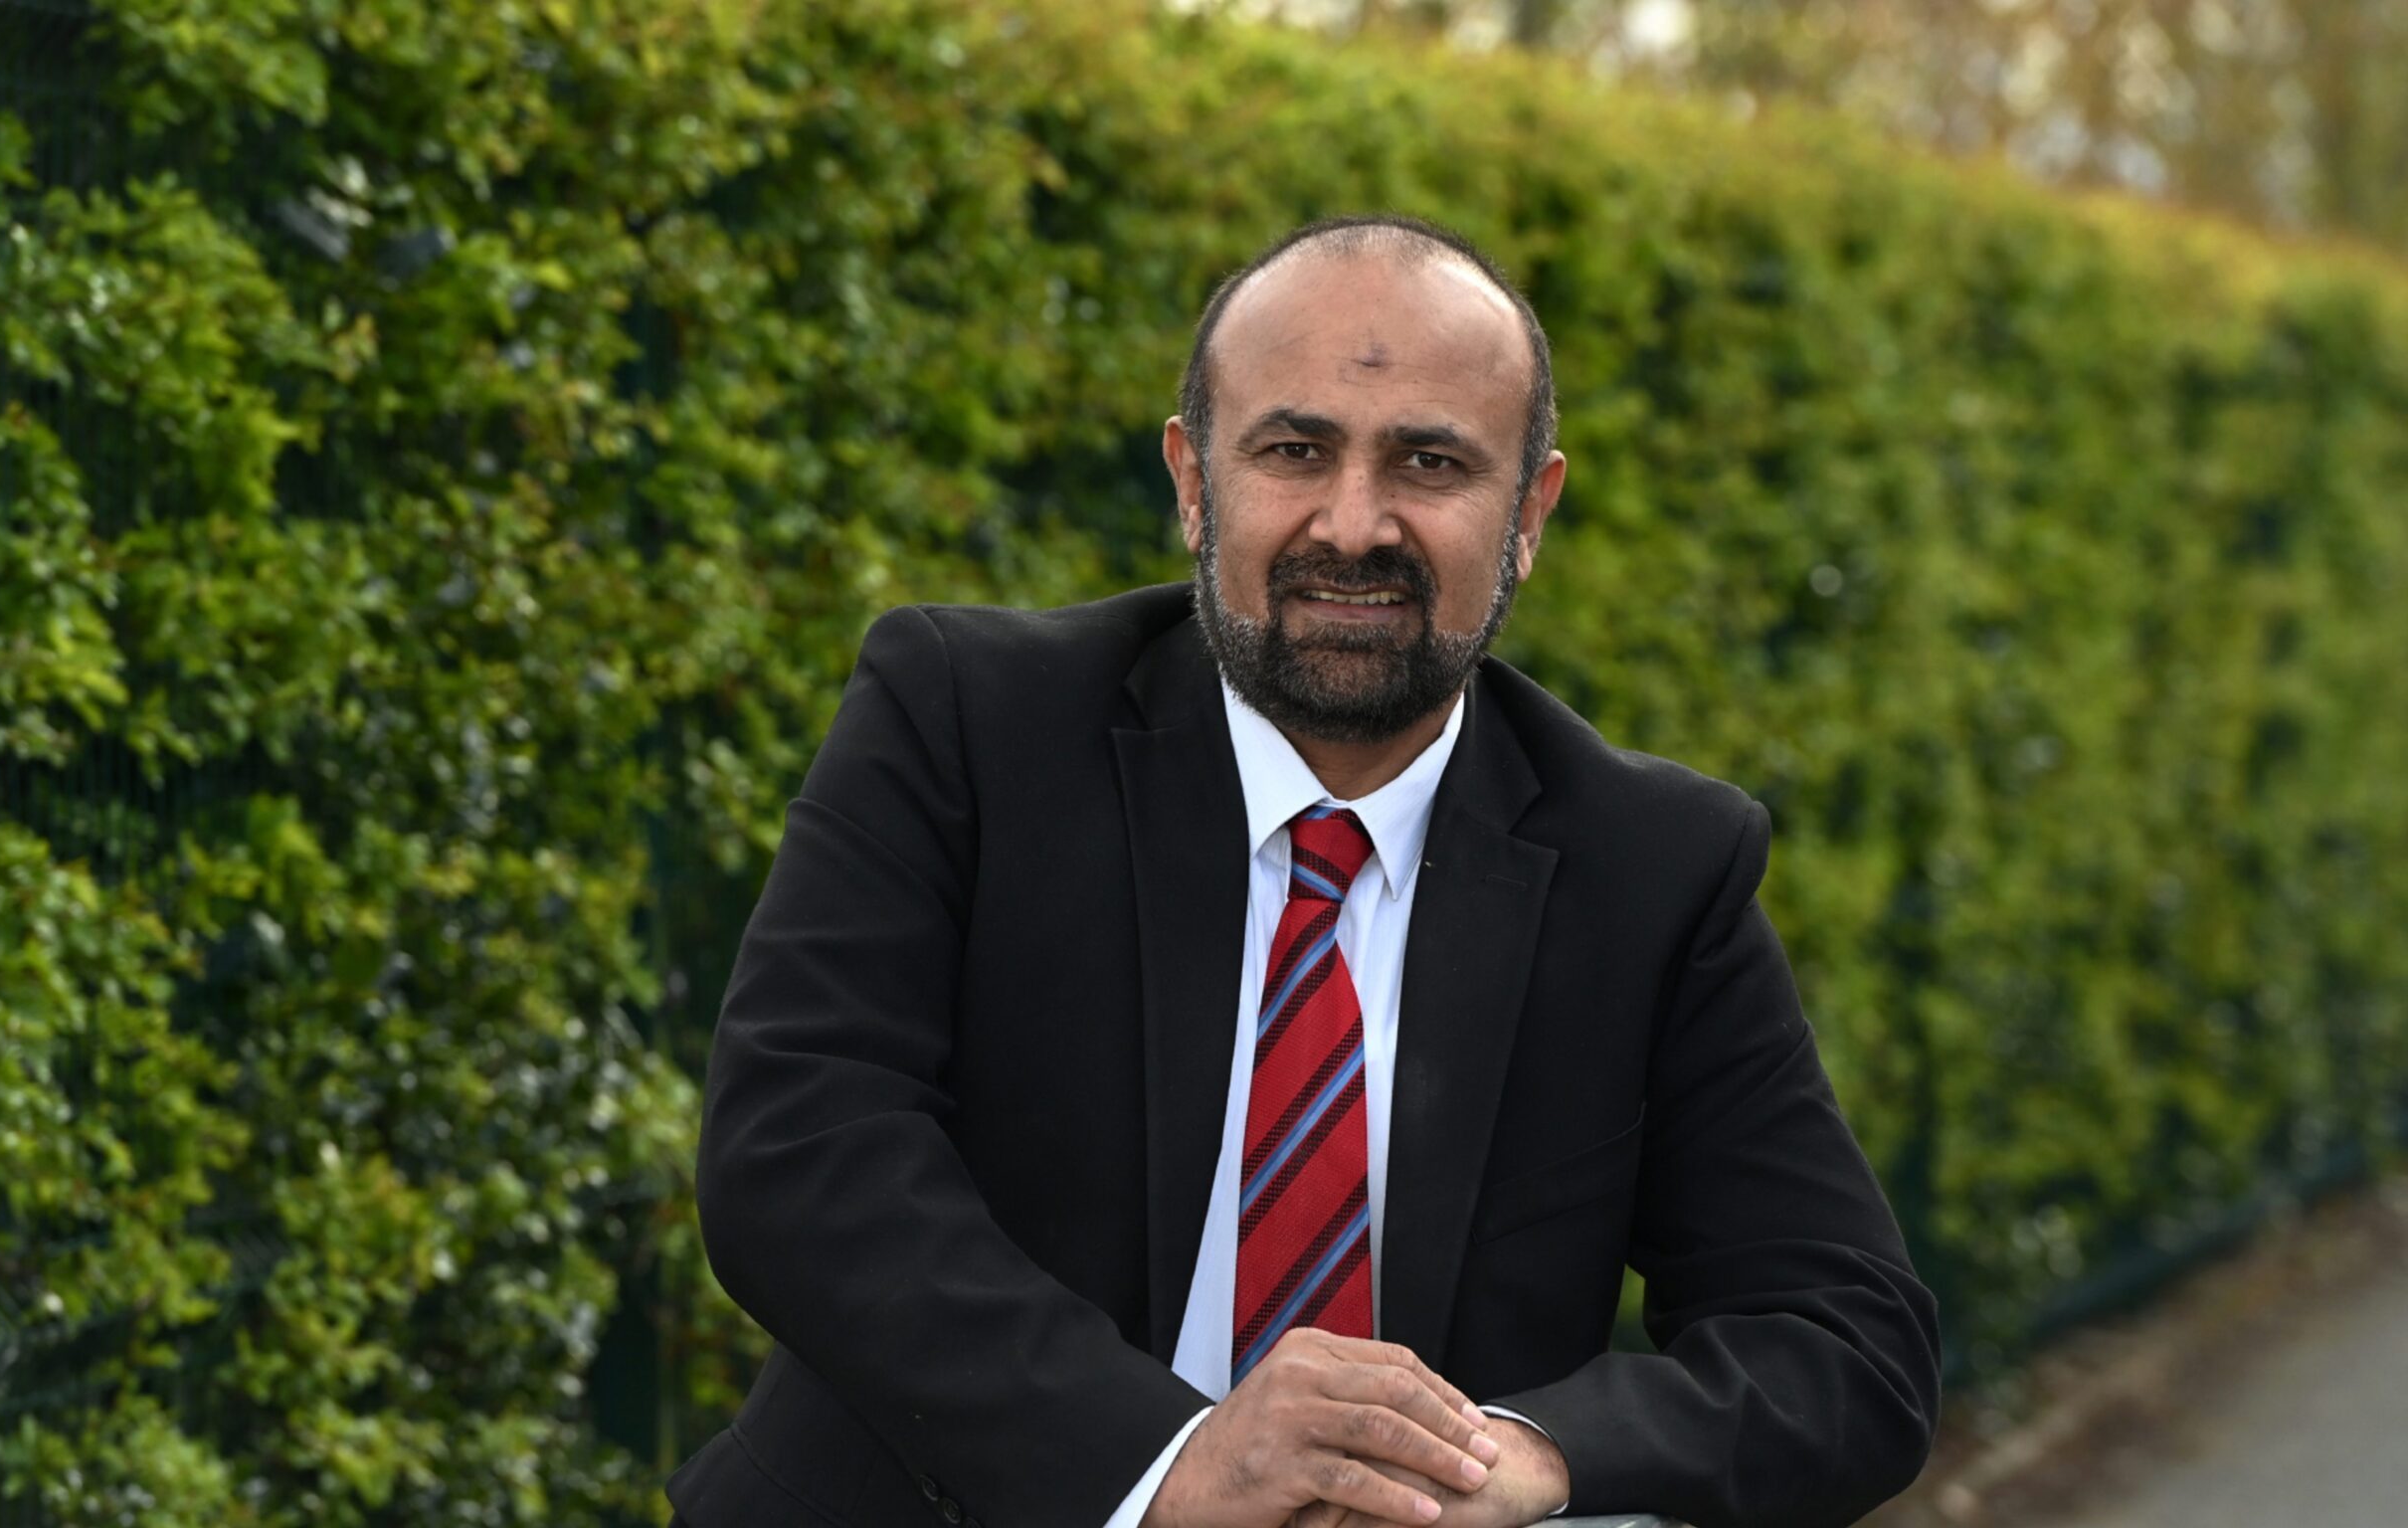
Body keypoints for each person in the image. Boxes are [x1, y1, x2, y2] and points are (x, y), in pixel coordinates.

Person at [667, 215, 1940, 1528]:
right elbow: (797, 1147)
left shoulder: (1653, 870)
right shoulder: (966, 724)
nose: (1353, 524)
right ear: (1191, 479)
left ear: (1530, 514)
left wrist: (1509, 1455)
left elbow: (1848, 1347)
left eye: (1431, 462)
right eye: (1293, 449)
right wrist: (1166, 1465)